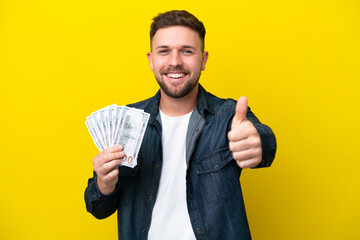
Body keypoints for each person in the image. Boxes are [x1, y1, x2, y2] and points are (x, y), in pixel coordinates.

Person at [84, 10, 276, 240]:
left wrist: (258, 143)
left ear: (203, 60)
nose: (175, 62)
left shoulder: (229, 116)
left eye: (187, 51)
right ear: (151, 60)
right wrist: (104, 183)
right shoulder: (127, 122)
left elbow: (264, 141)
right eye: (164, 51)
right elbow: (97, 208)